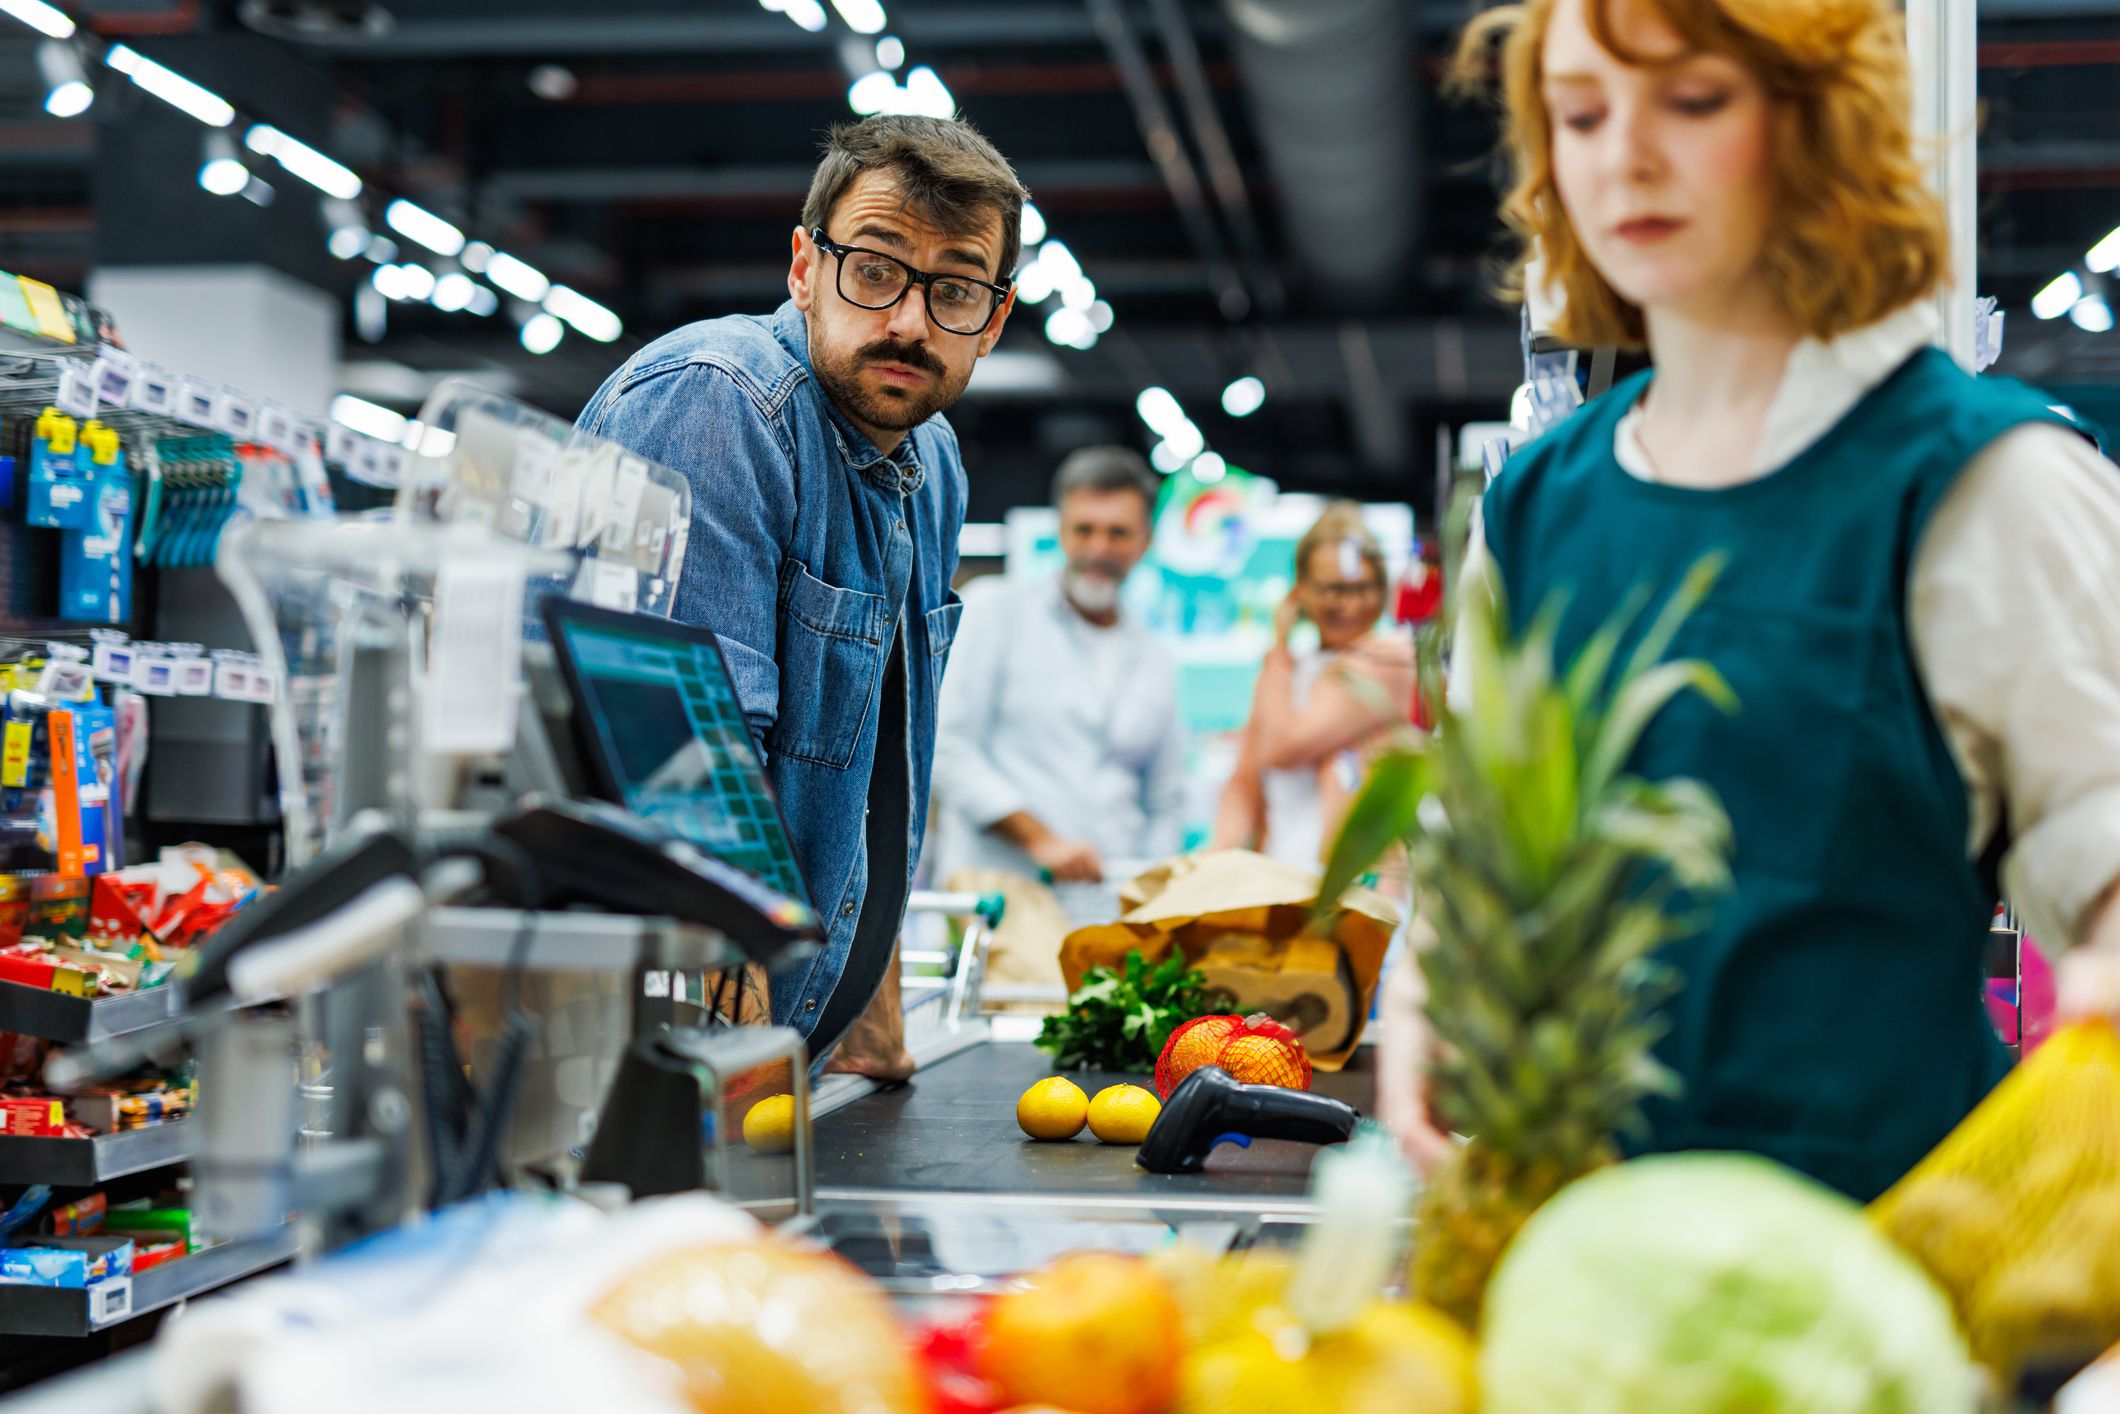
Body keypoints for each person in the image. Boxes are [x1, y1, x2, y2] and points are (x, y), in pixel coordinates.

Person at [1382, 0, 2120, 1200]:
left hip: (1886, 1262)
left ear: (1818, 126)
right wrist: (1424, 994)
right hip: (1577, 1253)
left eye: (1691, 99)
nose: (1622, 153)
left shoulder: (1986, 478)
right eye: (1579, 112)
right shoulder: (1535, 508)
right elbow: (1474, 849)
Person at [576, 115, 1026, 1060]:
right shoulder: (718, 404)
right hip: (644, 1053)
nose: (907, 320)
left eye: (953, 290)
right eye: (875, 268)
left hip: (790, 1042)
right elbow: (685, 770)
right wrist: (718, 1081)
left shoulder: (933, 460)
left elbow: (884, 761)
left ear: (994, 319)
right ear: (803, 268)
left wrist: (869, 996)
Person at [930, 447, 1187, 887]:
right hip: (1001, 890)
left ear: (1145, 542)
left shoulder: (1154, 656)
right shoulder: (998, 611)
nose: (1098, 549)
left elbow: (1166, 797)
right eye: (1084, 530)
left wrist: (1152, 886)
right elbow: (946, 747)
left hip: (1108, 901)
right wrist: (1040, 839)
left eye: (1118, 533)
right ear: (1061, 532)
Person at [1211, 502, 1417, 868]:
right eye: (1332, 589)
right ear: (1300, 590)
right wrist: (1219, 856)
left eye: (1365, 587)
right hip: (1280, 879)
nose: (1350, 603)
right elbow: (1245, 781)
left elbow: (1284, 747)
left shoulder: (1390, 659)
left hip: (1354, 893)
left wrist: (1278, 650)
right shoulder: (1289, 669)